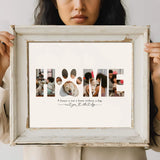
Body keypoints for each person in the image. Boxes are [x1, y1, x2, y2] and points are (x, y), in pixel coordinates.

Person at [0, 0, 160, 160]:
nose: (78, 5)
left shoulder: (137, 54)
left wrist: (158, 79)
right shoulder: (24, 56)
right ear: (54, 3)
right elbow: (5, 133)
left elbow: (158, 142)